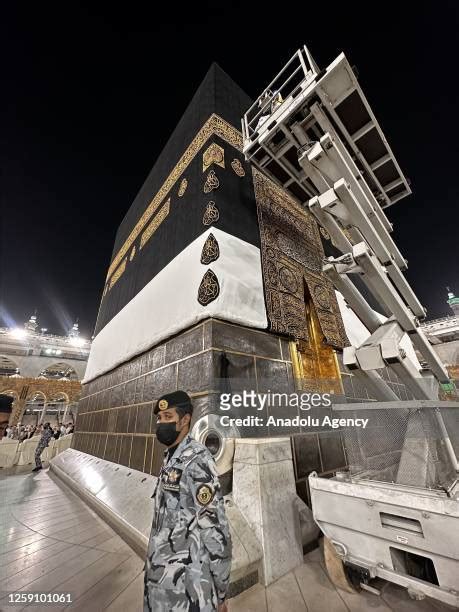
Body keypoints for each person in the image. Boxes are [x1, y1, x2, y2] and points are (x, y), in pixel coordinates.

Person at [144, 391, 232, 612]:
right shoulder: (171, 457)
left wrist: (220, 593)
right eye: (160, 418)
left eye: (167, 416)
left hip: (187, 589)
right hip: (159, 583)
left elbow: (215, 530)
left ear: (185, 420)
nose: (161, 423)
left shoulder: (199, 460)